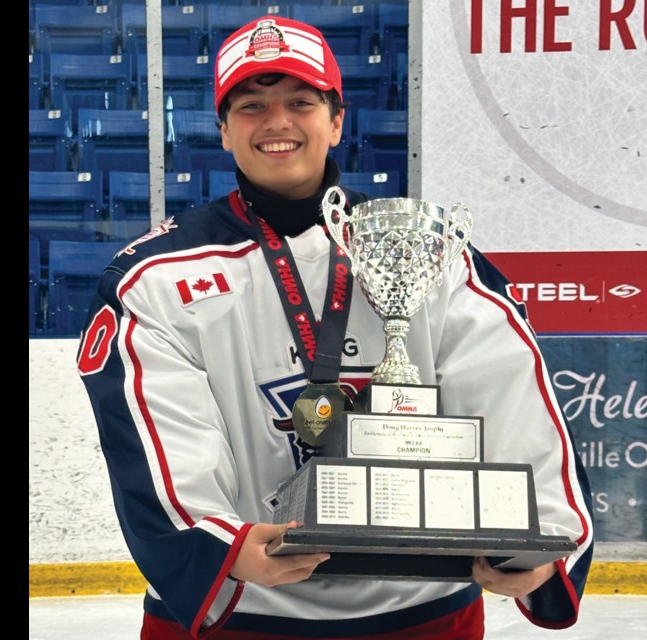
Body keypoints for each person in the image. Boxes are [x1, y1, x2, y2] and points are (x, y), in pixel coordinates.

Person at [77, 15, 593, 640]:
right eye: (251, 105)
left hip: (423, 611)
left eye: (301, 101)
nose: (277, 122)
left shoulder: (428, 254)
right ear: (222, 129)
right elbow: (156, 437)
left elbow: (512, 397)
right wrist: (224, 546)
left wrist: (540, 537)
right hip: (244, 613)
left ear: (337, 120)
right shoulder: (156, 276)